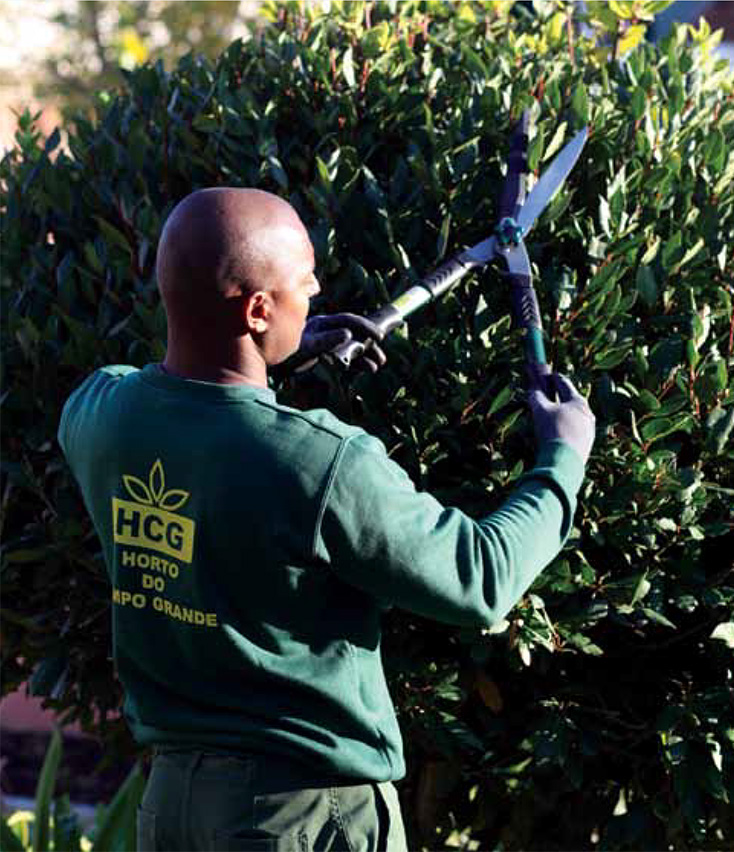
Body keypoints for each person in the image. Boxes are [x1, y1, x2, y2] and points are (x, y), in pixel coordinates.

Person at [57, 187, 595, 851]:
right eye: (303, 282)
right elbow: (481, 578)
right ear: (257, 310)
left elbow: (181, 388)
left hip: (173, 809)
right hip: (301, 817)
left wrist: (279, 353)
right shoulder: (321, 462)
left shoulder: (95, 414)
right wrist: (562, 460)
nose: (316, 290)